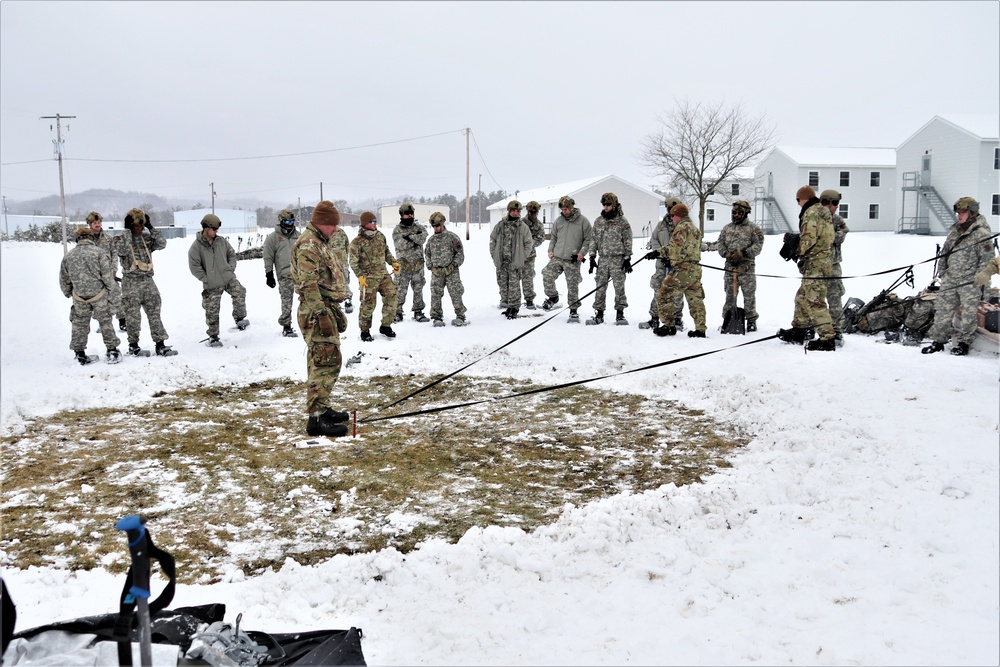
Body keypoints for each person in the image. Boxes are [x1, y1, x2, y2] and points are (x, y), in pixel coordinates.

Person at [290, 200, 350, 438]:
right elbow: (308, 284)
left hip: (323, 307)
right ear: (321, 223)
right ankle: (316, 420)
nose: (335, 229)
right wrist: (322, 315)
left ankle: (322, 410)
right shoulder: (309, 246)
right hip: (316, 311)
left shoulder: (319, 242)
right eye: (332, 225)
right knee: (326, 362)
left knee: (322, 361)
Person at [922, 197, 996, 356]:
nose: (959, 216)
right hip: (950, 279)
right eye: (958, 213)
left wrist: (979, 280)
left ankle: (963, 343)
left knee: (969, 314)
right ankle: (938, 341)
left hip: (970, 282)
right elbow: (944, 254)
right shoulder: (954, 231)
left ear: (972, 213)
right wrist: (943, 273)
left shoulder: (982, 234)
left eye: (963, 212)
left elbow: (987, 261)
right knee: (942, 310)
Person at [776, 185, 836, 351]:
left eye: (798, 200)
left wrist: (795, 249)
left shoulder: (811, 213)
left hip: (816, 263)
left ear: (805, 198)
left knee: (815, 301)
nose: (797, 204)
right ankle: (799, 330)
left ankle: (827, 338)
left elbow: (809, 239)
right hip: (820, 261)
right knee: (802, 297)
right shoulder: (822, 211)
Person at [115, 207, 177, 357]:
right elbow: (121, 250)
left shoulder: (146, 238)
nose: (139, 228)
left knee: (155, 313)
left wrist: (150, 227)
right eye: (136, 225)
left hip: (147, 280)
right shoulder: (121, 239)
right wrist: (128, 231)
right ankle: (133, 345)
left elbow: (162, 243)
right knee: (132, 316)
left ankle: (160, 344)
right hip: (130, 282)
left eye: (141, 225)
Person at [60, 225, 121, 365]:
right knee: (105, 322)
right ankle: (112, 350)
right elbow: (107, 277)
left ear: (77, 239)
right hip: (99, 295)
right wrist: (114, 292)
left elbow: (64, 279)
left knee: (79, 324)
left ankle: (80, 353)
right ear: (91, 238)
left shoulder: (68, 256)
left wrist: (69, 292)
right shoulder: (99, 253)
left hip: (79, 297)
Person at [645, 203, 707, 337]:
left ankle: (668, 325)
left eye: (672, 215)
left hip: (683, 270)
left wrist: (657, 253)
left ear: (679, 215)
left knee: (663, 293)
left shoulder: (681, 228)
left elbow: (674, 247)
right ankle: (700, 329)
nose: (671, 218)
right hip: (695, 269)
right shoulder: (695, 229)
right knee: (695, 299)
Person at [188, 213, 249, 348]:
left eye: (217, 229)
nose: (216, 232)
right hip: (212, 283)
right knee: (212, 309)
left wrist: (230, 268)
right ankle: (213, 336)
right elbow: (194, 267)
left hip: (227, 278)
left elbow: (231, 254)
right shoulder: (196, 247)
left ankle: (240, 318)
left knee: (240, 292)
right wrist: (206, 279)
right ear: (206, 228)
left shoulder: (221, 241)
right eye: (214, 229)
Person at [541, 195, 593, 323]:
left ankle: (573, 310)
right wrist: (550, 250)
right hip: (558, 256)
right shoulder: (559, 221)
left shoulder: (583, 221)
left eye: (566, 209)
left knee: (572, 284)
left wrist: (582, 253)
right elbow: (553, 237)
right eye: (562, 209)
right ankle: (553, 297)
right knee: (547, 274)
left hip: (573, 258)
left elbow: (589, 239)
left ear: (571, 207)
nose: (564, 211)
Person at [349, 211, 399, 341]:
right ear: (365, 224)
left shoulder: (380, 236)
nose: (375, 224)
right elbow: (353, 262)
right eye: (372, 222)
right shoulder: (357, 242)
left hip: (383, 274)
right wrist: (360, 276)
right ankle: (365, 331)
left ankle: (386, 325)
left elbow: (386, 251)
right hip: (368, 278)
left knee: (392, 297)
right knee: (368, 304)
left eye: (375, 221)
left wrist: (393, 262)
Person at [716, 199, 764, 332]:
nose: (736, 215)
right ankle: (728, 319)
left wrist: (744, 253)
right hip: (730, 268)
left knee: (749, 295)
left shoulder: (753, 229)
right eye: (734, 212)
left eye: (739, 213)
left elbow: (758, 246)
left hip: (746, 267)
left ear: (746, 213)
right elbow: (720, 243)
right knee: (730, 294)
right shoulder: (727, 228)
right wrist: (726, 253)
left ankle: (751, 320)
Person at [586, 192, 633, 325]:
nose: (605, 207)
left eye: (608, 204)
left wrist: (627, 257)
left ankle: (620, 314)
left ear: (614, 205)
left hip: (617, 260)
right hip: (603, 260)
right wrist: (592, 256)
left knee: (619, 287)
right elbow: (593, 240)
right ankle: (599, 313)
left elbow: (627, 239)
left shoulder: (622, 221)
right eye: (604, 204)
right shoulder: (599, 221)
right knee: (600, 287)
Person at [640, 197, 684, 330]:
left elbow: (686, 244)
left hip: (677, 266)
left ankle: (677, 320)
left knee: (676, 293)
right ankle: (654, 318)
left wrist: (674, 257)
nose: (670, 211)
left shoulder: (684, 225)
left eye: (673, 208)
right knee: (658, 291)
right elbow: (654, 240)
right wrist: (660, 254)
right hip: (661, 265)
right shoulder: (661, 225)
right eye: (668, 208)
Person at [490, 200, 534, 319]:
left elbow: (528, 244)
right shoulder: (500, 225)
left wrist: (521, 257)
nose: (516, 213)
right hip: (502, 262)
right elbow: (492, 240)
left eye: (518, 211)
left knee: (514, 286)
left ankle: (514, 308)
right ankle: (509, 306)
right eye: (513, 211)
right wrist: (494, 255)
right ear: (509, 211)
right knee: (503, 285)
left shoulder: (523, 227)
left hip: (514, 263)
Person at [424, 211, 469, 327]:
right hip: (437, 272)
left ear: (443, 224)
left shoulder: (452, 237)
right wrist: (430, 266)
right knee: (435, 294)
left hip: (451, 272)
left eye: (438, 225)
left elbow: (460, 254)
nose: (436, 228)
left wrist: (453, 265)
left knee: (456, 292)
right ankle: (436, 317)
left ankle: (460, 315)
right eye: (433, 226)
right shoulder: (431, 240)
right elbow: (427, 254)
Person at [263, 209, 301, 337]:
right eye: (287, 221)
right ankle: (286, 325)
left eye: (292, 221)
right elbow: (268, 256)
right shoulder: (273, 238)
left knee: (308, 299)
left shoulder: (299, 236)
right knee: (286, 300)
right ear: (281, 221)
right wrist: (269, 274)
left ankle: (309, 323)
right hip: (285, 275)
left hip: (301, 274)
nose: (290, 224)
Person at [86, 211, 125, 332]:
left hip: (109, 274)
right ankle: (103, 324)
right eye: (94, 223)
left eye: (99, 222)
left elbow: (114, 255)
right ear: (90, 224)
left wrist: (113, 270)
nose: (97, 225)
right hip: (94, 276)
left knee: (116, 296)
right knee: (99, 301)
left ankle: (123, 322)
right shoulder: (86, 239)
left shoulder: (108, 238)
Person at [820, 189, 850, 343]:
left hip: (833, 265)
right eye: (835, 203)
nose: (837, 207)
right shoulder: (814, 218)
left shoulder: (837, 220)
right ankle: (815, 327)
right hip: (816, 265)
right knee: (814, 298)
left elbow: (841, 235)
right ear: (827, 203)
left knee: (835, 297)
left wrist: (828, 235)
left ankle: (836, 329)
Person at [392, 203, 429, 323]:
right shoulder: (397, 230)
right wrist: (414, 238)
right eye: (407, 214)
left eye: (411, 214)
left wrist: (409, 237)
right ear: (401, 215)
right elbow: (401, 245)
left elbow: (423, 238)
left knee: (418, 289)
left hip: (417, 265)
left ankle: (418, 311)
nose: (410, 216)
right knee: (400, 289)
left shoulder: (419, 227)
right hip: (403, 266)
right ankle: (397, 312)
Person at [520, 200, 547, 309]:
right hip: (518, 255)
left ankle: (529, 300)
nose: (533, 215)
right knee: (514, 277)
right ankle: (512, 300)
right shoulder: (521, 223)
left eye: (535, 213)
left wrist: (530, 244)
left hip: (530, 256)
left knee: (528, 277)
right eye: (531, 212)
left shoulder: (539, 225)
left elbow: (541, 238)